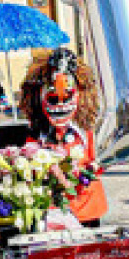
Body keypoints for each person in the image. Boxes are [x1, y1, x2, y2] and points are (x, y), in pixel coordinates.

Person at [19, 47, 107, 223]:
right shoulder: (36, 135)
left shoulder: (87, 132)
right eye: (52, 99)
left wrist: (82, 174)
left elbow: (98, 163)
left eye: (65, 98)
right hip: (53, 214)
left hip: (87, 208)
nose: (59, 105)